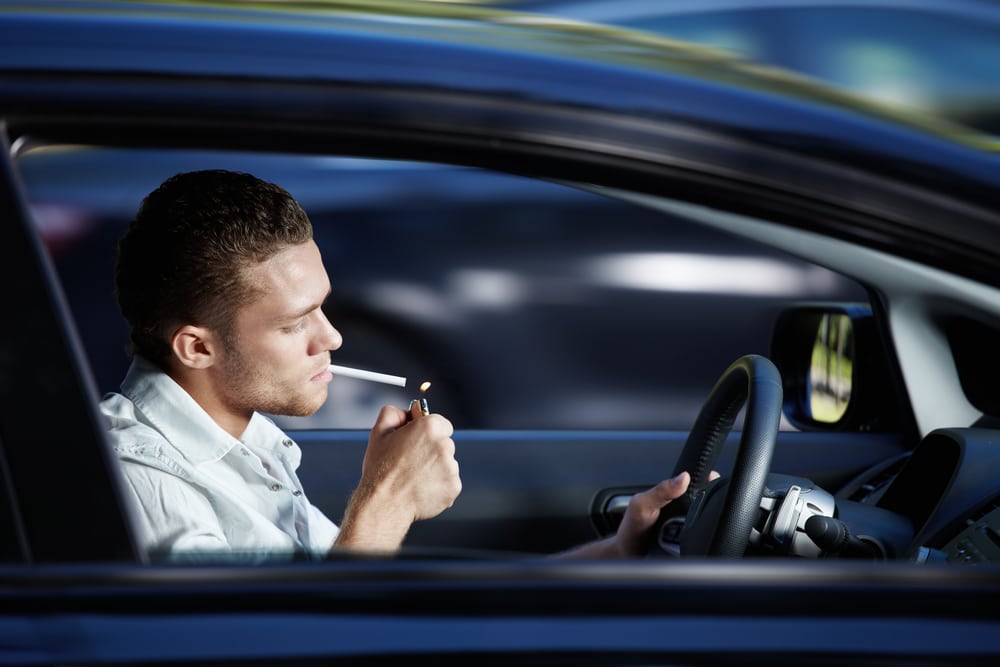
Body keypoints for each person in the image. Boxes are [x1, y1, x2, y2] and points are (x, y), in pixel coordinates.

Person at [101, 169, 698, 561]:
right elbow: (299, 647)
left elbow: (350, 593)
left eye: (323, 309)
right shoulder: (143, 483)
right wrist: (389, 494)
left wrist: (619, 552)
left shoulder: (244, 443)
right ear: (196, 348)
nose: (330, 337)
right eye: (293, 323)